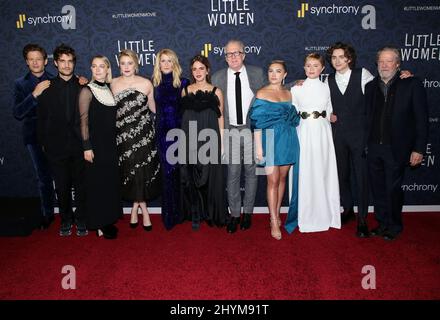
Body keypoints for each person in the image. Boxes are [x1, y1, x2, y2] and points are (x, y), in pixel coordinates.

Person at [326, 42, 413, 238]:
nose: (337, 61)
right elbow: (321, 103)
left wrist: (402, 75)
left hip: (361, 136)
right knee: (342, 176)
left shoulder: (363, 74)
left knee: (361, 178)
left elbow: (384, 87)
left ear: (349, 58)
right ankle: (347, 210)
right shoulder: (328, 80)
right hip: (338, 136)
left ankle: (362, 219)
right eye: (334, 57)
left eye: (342, 57)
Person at [365, 46, 428, 241]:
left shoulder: (411, 84)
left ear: (398, 64)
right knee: (378, 188)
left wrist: (419, 148)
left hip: (397, 147)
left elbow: (422, 119)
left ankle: (394, 225)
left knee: (393, 189)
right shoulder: (370, 87)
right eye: (381, 61)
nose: (384, 65)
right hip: (374, 147)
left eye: (389, 61)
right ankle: (382, 222)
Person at [211, 39, 265, 234]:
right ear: (225, 57)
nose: (233, 57)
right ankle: (234, 214)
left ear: (244, 54)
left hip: (251, 129)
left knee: (251, 173)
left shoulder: (257, 73)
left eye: (236, 53)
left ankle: (248, 213)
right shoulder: (217, 77)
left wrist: (295, 84)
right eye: (228, 54)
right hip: (231, 130)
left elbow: (273, 89)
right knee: (233, 175)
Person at [37, 44, 87, 237]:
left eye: (70, 61)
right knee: (62, 187)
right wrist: (44, 144)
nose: (66, 65)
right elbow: (41, 119)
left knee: (82, 186)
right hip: (56, 148)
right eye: (63, 61)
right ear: (56, 63)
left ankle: (81, 218)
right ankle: (66, 219)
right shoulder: (46, 89)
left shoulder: (84, 85)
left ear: (74, 63)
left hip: (79, 146)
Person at [249, 60, 300, 240]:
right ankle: (273, 219)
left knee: (283, 178)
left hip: (287, 138)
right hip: (269, 139)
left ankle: (277, 213)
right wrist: (259, 148)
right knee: (272, 180)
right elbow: (256, 123)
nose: (274, 74)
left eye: (278, 71)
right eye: (271, 71)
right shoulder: (262, 93)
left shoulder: (289, 94)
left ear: (285, 75)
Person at [291, 53, 341, 232]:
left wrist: (331, 116)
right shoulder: (296, 88)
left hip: (322, 132)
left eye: (315, 66)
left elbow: (330, 110)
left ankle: (327, 214)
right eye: (308, 66)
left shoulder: (327, 87)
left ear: (322, 68)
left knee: (323, 170)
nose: (311, 69)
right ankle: (306, 215)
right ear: (304, 67)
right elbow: (291, 111)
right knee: (305, 170)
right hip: (304, 131)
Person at [111, 49, 160, 231]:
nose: (126, 67)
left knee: (143, 173)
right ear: (118, 65)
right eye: (123, 63)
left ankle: (137, 209)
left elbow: (154, 108)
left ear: (136, 65)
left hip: (144, 135)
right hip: (123, 137)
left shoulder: (146, 83)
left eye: (129, 63)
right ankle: (142, 210)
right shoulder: (112, 83)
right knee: (129, 172)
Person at [180, 54, 227, 230]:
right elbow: (183, 118)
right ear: (191, 72)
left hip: (210, 139)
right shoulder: (185, 91)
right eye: (194, 69)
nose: (198, 72)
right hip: (190, 140)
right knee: (192, 178)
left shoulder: (217, 91)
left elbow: (220, 118)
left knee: (209, 178)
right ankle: (195, 214)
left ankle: (211, 213)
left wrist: (221, 143)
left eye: (201, 68)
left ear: (207, 70)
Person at [79, 55, 122, 239]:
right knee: (97, 185)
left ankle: (108, 219)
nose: (98, 70)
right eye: (94, 66)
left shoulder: (109, 89)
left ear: (107, 69)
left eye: (102, 66)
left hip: (110, 145)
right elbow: (83, 121)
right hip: (95, 146)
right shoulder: (87, 90)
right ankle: (99, 223)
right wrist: (87, 146)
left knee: (108, 183)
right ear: (91, 69)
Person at [13, 43, 55, 229]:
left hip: (56, 135)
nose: (35, 62)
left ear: (46, 61)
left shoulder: (55, 80)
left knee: (63, 174)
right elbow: (17, 112)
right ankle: (47, 213)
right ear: (27, 63)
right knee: (43, 177)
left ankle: (69, 213)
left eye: (39, 58)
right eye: (31, 59)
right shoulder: (20, 84)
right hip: (33, 136)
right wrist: (34, 94)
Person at [152, 49, 190, 230]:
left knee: (179, 174)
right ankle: (169, 215)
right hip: (161, 133)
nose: (166, 64)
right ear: (158, 64)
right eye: (162, 61)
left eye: (169, 61)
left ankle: (181, 213)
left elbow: (188, 111)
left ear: (175, 63)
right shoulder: (155, 84)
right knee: (166, 175)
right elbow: (154, 109)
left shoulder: (183, 83)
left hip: (179, 133)